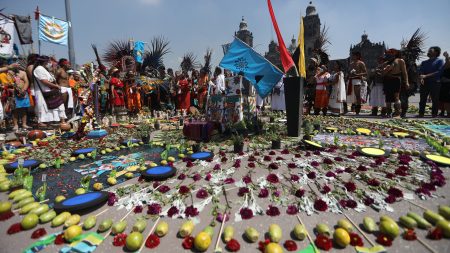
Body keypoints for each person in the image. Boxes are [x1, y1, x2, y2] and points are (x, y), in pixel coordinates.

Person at [33, 56, 66, 127]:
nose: (49, 63)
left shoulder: (45, 69)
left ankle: (50, 121)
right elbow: (44, 81)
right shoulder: (39, 69)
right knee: (42, 106)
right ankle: (41, 122)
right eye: (48, 62)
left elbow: (51, 79)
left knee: (52, 106)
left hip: (50, 91)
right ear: (44, 62)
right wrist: (56, 86)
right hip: (42, 91)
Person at [382, 49, 409, 118]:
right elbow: (382, 74)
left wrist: (407, 82)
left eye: (390, 53)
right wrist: (387, 69)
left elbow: (404, 72)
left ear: (394, 53)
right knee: (387, 97)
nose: (388, 54)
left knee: (396, 96)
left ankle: (397, 112)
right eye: (387, 53)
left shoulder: (400, 61)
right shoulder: (386, 62)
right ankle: (388, 112)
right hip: (387, 80)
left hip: (396, 80)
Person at [418, 47, 444, 117]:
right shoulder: (424, 62)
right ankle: (421, 113)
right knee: (422, 99)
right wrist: (421, 78)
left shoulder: (440, 61)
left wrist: (426, 76)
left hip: (435, 83)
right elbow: (421, 72)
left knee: (435, 99)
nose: (428, 51)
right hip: (424, 83)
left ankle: (434, 114)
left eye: (430, 50)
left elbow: (439, 72)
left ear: (436, 52)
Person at [9, 65, 31, 130]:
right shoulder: (9, 72)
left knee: (24, 109)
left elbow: (27, 82)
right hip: (13, 93)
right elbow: (8, 83)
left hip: (23, 93)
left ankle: (24, 124)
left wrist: (23, 90)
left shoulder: (23, 73)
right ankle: (15, 125)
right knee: (15, 109)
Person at [439, 51, 450, 117]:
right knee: (442, 99)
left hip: (448, 84)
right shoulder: (445, 65)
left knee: (447, 99)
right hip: (444, 84)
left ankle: (448, 113)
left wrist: (446, 56)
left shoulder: (447, 64)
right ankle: (443, 112)